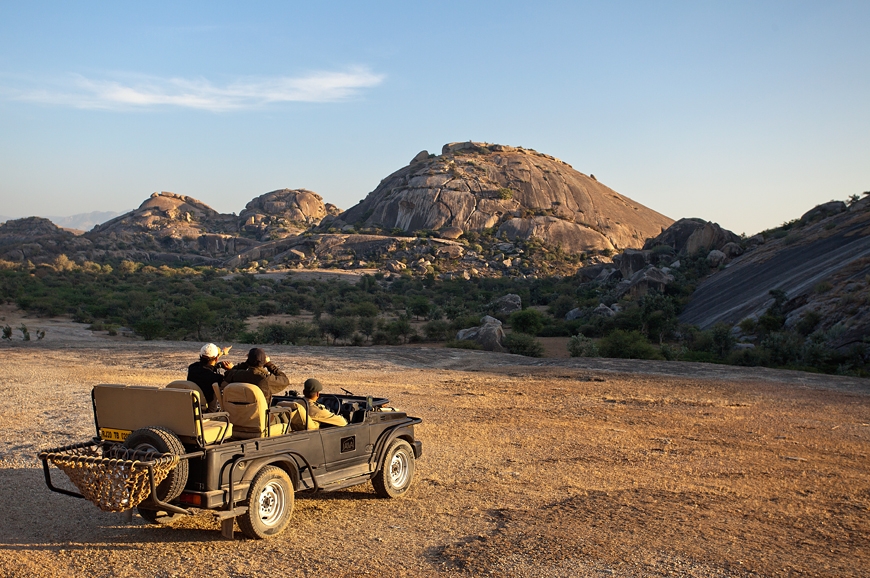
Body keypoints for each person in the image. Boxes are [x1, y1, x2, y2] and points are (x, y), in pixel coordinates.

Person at [221, 347, 290, 405]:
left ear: (248, 359)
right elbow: (285, 380)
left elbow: (228, 373)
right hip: (261, 417)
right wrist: (269, 364)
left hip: (239, 416)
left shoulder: (237, 375)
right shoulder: (266, 379)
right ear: (264, 361)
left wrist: (246, 363)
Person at [187, 343, 233, 408]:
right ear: (216, 359)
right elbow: (231, 381)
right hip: (208, 412)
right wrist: (231, 370)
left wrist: (222, 352)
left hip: (192, 407)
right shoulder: (215, 378)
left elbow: (207, 364)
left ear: (200, 356)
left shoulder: (192, 368)